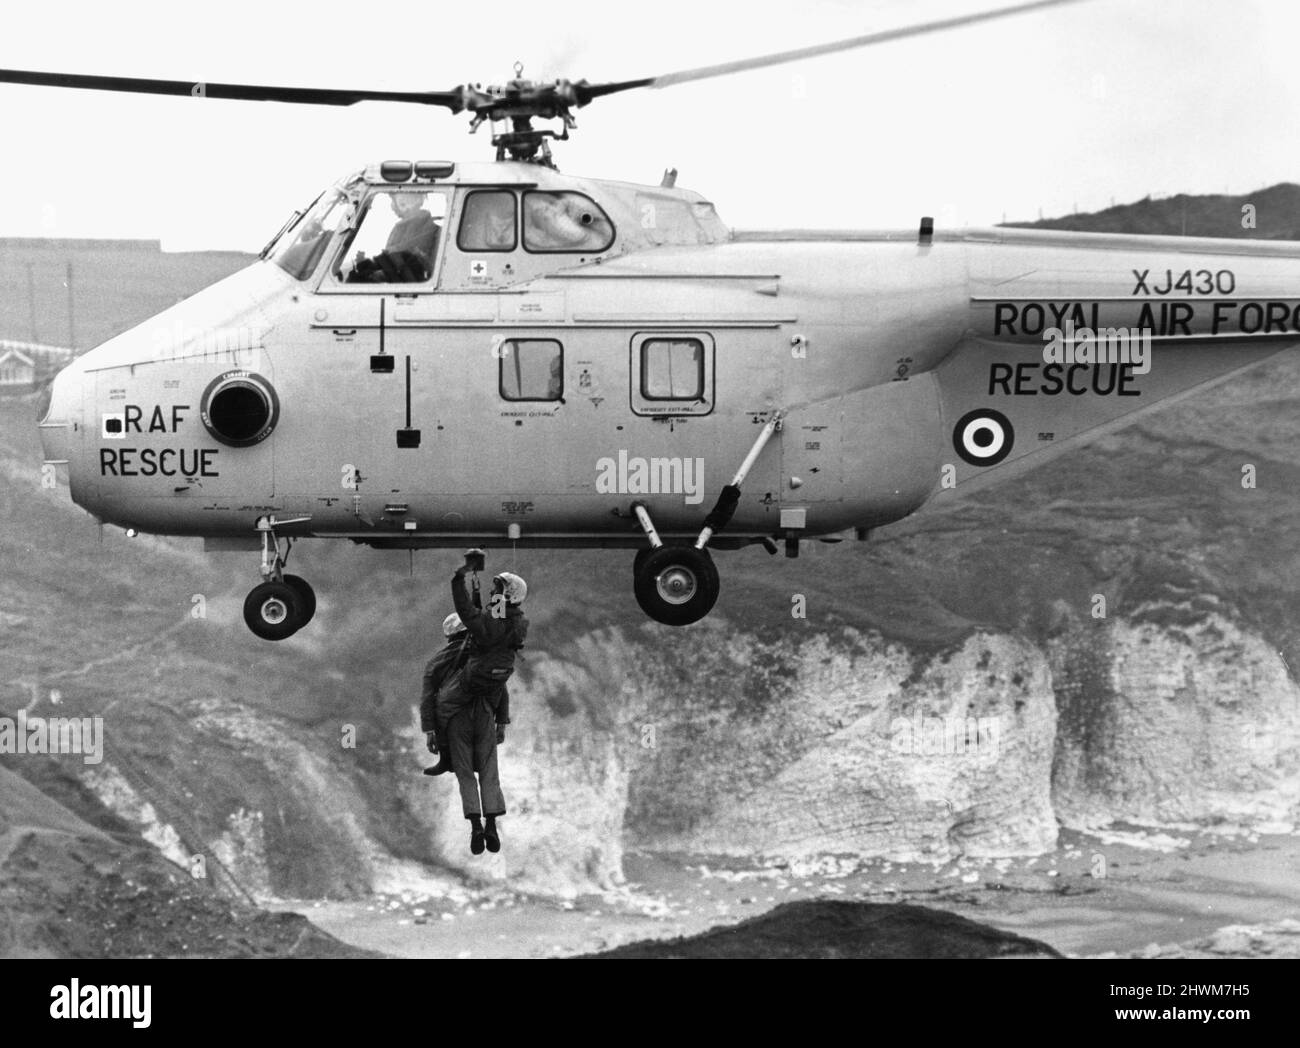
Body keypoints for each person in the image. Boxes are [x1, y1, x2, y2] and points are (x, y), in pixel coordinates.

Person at [428, 551, 529, 855]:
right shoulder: (519, 622)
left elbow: (473, 616)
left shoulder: (488, 625)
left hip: (465, 703)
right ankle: (492, 826)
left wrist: (459, 580)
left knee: (461, 765)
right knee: (489, 771)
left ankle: (474, 826)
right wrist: (502, 721)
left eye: (497, 589)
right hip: (489, 704)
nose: (493, 592)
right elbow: (493, 618)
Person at [419, 612, 472, 770]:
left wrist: (429, 730)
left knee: (438, 704)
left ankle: (446, 759)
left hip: (452, 706)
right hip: (486, 701)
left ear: (449, 635)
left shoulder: (437, 661)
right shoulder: (482, 652)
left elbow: (426, 699)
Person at [351, 192, 439, 283]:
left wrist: (376, 265)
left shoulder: (424, 226)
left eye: (395, 201)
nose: (393, 207)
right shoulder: (406, 226)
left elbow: (405, 254)